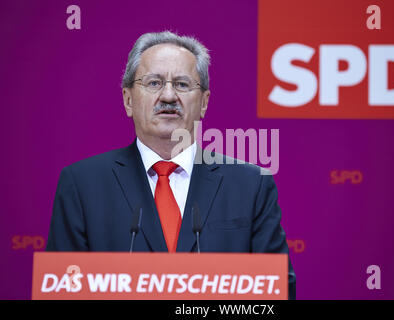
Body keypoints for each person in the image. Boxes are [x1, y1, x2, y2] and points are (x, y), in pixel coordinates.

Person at [46, 31, 296, 299]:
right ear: (128, 100)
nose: (168, 96)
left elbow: (278, 290)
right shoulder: (83, 183)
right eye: (153, 83)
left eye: (182, 85)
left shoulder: (250, 184)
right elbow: (63, 289)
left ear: (204, 103)